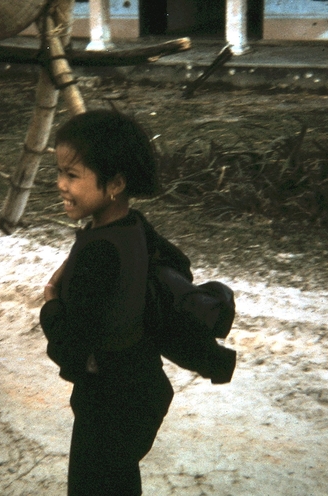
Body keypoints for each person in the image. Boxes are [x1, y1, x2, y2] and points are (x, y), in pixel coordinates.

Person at [40, 109, 189, 495]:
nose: (60, 185)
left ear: (115, 183)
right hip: (142, 383)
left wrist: (51, 303)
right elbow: (179, 266)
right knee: (120, 481)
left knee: (93, 484)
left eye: (72, 175)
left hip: (107, 401)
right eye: (59, 173)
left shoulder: (98, 254)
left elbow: (71, 347)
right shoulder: (133, 224)